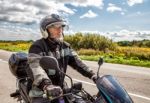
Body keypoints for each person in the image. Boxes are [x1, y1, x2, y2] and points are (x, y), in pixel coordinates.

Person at [28, 14, 96, 103]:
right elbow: (35, 67)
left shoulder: (65, 46)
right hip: (42, 91)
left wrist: (93, 75)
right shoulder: (37, 47)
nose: (59, 29)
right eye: (55, 27)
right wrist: (47, 85)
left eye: (61, 26)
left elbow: (78, 63)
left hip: (60, 88)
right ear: (45, 30)